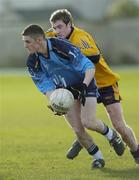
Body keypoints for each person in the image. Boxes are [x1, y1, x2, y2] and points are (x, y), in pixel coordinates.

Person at [22, 24, 125, 169]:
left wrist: (84, 85)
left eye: (27, 42)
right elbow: (46, 85)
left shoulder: (62, 47)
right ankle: (98, 159)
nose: (25, 46)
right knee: (78, 130)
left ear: (39, 40)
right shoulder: (32, 62)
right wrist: (55, 100)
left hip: (85, 83)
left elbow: (88, 66)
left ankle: (111, 135)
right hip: (64, 91)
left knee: (88, 121)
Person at [46, 9, 139, 165]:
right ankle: (85, 144)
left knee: (119, 125)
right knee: (81, 121)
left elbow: (94, 57)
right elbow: (40, 39)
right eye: (54, 27)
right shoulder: (54, 35)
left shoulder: (80, 37)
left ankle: (136, 152)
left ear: (70, 24)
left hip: (104, 83)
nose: (57, 31)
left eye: (60, 27)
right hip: (83, 84)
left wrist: (69, 53)